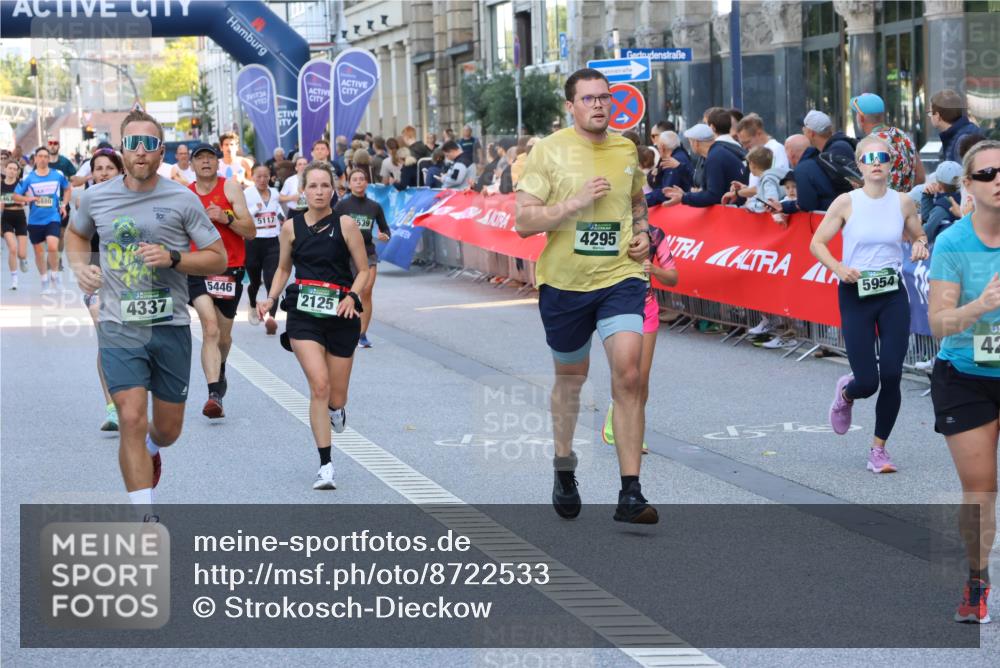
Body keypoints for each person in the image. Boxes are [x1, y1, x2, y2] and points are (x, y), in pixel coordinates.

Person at [66, 109, 226, 513]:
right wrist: (81, 267)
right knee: (131, 418)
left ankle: (156, 448)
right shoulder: (96, 197)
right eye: (132, 143)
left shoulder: (181, 198)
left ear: (161, 151)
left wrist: (174, 258)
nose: (140, 151)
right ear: (122, 150)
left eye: (150, 144)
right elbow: (75, 233)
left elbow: (217, 258)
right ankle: (146, 516)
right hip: (119, 325)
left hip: (169, 324)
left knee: (168, 429)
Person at [515, 67, 657, 524]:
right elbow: (524, 221)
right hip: (564, 285)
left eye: (604, 97)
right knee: (571, 380)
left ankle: (630, 492)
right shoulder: (549, 152)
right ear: (570, 106)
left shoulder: (626, 148)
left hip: (621, 277)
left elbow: (637, 200)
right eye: (589, 98)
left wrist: (642, 236)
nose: (599, 105)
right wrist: (572, 204)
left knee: (630, 374)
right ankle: (563, 466)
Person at [809, 136, 929, 473]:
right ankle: (847, 392)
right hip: (855, 293)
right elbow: (817, 243)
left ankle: (879, 450)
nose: (876, 163)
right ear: (860, 165)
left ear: (891, 165)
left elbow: (918, 235)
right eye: (869, 158)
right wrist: (838, 268)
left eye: (883, 158)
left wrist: (920, 245)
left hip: (892, 294)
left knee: (891, 374)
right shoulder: (847, 202)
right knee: (868, 382)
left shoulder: (903, 202)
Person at [257, 161, 369, 490]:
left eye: (324, 185)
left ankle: (337, 410)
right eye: (313, 186)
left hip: (341, 315)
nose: (319, 191)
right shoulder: (291, 227)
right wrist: (270, 298)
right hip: (304, 313)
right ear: (303, 191)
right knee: (318, 386)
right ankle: (325, 465)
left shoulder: (346, 224)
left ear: (333, 190)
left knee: (336, 395)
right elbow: (282, 269)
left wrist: (352, 296)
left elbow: (362, 270)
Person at [926, 139, 1000, 624]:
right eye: (988, 174)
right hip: (967, 376)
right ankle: (977, 578)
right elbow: (938, 323)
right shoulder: (954, 242)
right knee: (980, 490)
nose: (999, 180)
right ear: (969, 186)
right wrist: (981, 305)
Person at [187, 143, 255, 419]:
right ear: (192, 165)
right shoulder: (185, 195)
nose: (205, 162)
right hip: (198, 267)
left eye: (210, 158)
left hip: (230, 268)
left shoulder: (231, 189)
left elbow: (250, 231)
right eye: (199, 159)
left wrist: (225, 216)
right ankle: (214, 393)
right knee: (210, 328)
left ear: (218, 163)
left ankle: (221, 365)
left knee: (224, 336)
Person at [602, 226, 678, 453]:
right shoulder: (611, 227)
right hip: (617, 308)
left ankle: (633, 431)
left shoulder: (656, 235)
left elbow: (673, 277)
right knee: (627, 375)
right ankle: (621, 419)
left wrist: (653, 268)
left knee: (641, 378)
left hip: (647, 309)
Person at [71, 148, 126, 430]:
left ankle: (132, 397)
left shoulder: (133, 200)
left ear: (120, 171)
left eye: (109, 168)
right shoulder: (86, 201)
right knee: (106, 336)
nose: (103, 173)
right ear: (91, 173)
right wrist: (82, 269)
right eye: (98, 168)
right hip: (98, 276)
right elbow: (76, 239)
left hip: (131, 279)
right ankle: (112, 407)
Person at [334, 168, 390, 348]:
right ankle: (343, 327)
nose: (358, 182)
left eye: (361, 179)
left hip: (368, 253)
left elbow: (385, 229)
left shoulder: (374, 206)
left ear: (366, 183)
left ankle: (362, 334)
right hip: (346, 253)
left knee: (366, 291)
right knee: (347, 292)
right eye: (355, 179)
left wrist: (385, 235)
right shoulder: (342, 205)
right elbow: (332, 224)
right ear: (350, 184)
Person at [12, 146, 71, 294]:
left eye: (46, 156)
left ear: (49, 159)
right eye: (41, 156)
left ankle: (55, 276)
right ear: (35, 159)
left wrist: (63, 204)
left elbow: (68, 188)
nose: (43, 159)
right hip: (35, 221)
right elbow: (15, 196)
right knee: (39, 252)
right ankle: (44, 280)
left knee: (52, 246)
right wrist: (29, 198)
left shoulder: (57, 174)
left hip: (53, 217)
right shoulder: (28, 178)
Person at [660, 123, 747, 208]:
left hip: (735, 210)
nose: (690, 145)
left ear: (695, 142)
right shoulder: (717, 152)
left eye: (690, 141)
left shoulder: (714, 157)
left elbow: (713, 195)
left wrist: (683, 197)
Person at [851, 93, 925, 191]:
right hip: (907, 203)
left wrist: (860, 186)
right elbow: (920, 177)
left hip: (882, 204)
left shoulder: (868, 145)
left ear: (861, 118)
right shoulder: (902, 135)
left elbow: (874, 187)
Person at [244, 163, 284, 335]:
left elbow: (278, 210)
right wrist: (255, 209)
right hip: (253, 242)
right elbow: (243, 215)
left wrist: (283, 218)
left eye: (265, 176)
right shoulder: (247, 194)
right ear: (252, 177)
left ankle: (271, 318)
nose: (262, 179)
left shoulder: (274, 193)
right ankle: (252, 304)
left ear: (270, 177)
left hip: (272, 242)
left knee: (271, 280)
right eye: (258, 176)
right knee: (254, 281)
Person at [929, 89, 982, 164]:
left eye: (931, 113)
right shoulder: (961, 134)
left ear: (937, 116)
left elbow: (963, 174)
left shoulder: (963, 140)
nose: (930, 116)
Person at [645, 131, 692, 207]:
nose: (658, 149)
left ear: (662, 147)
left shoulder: (672, 161)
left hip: (678, 209)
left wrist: (642, 201)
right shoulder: (681, 154)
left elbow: (666, 192)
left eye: (658, 146)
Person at [1, 159, 29, 287]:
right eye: (10, 168)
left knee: (21, 253)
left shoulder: (21, 184)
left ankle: (23, 259)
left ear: (17, 172)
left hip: (19, 217)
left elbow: (27, 199)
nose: (12, 171)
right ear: (5, 169)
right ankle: (14, 279)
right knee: (12, 248)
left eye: (14, 169)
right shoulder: (1, 185)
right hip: (6, 217)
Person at [922, 161, 963, 243]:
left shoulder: (941, 208)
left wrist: (926, 197)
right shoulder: (967, 201)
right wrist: (928, 198)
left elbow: (926, 235)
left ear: (939, 186)